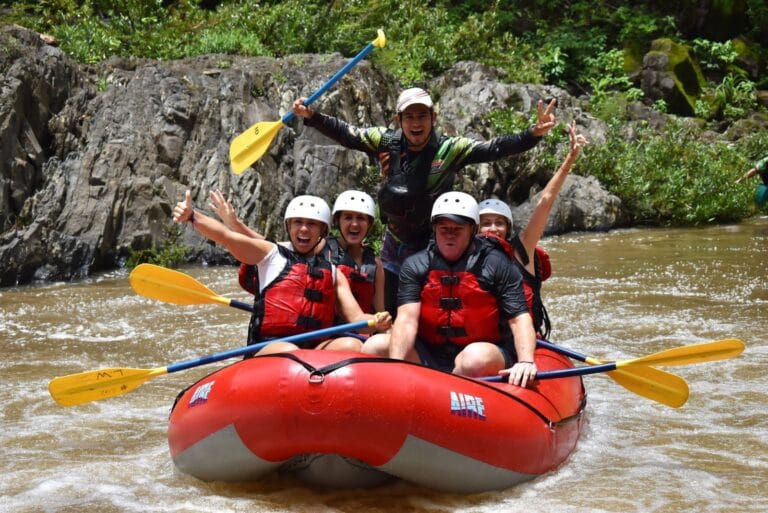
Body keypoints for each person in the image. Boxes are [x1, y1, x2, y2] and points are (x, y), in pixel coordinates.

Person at [291, 87, 557, 316]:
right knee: (392, 304)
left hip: (434, 242)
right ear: (399, 119)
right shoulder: (386, 140)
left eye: (422, 116)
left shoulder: (450, 148)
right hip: (394, 241)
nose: (416, 123)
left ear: (433, 117)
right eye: (409, 117)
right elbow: (348, 134)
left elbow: (494, 148)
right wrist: (312, 117)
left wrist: (532, 135)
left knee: (428, 307)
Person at [173, 191, 392, 355]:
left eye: (311, 224)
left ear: (322, 231)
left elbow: (356, 317)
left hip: (314, 348)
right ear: (289, 226)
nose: (304, 229)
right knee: (289, 352)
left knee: (351, 344)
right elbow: (225, 236)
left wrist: (378, 320)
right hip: (272, 345)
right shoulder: (269, 254)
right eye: (298, 223)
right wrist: (193, 217)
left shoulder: (333, 272)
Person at [362, 191, 538, 387]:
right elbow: (406, 320)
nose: (449, 235)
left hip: (483, 351)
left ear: (473, 230)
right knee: (374, 346)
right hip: (430, 352)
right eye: (444, 228)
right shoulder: (416, 265)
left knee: (474, 359)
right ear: (434, 229)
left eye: (457, 229)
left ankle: (447, 393)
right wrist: (396, 365)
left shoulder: (498, 265)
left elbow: (519, 318)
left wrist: (525, 361)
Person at [478, 121, 589, 339]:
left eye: (499, 223)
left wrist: (569, 160)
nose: (492, 228)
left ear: (508, 228)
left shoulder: (522, 251)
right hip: (484, 344)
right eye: (486, 223)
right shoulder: (464, 257)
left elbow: (545, 201)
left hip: (524, 339)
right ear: (474, 228)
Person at [208, 189, 385, 315]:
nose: (354, 224)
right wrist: (235, 223)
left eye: (360, 218)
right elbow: (270, 248)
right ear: (337, 221)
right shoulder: (320, 246)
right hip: (323, 332)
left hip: (358, 330)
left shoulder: (375, 264)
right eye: (348, 218)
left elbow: (380, 309)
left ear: (369, 224)